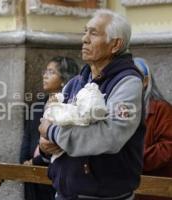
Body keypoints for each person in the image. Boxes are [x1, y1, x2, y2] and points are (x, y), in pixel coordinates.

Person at [39, 9, 145, 200]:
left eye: (93, 33)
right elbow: (48, 121)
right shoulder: (76, 82)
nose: (84, 39)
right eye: (85, 32)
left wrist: (54, 133)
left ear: (115, 44)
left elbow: (110, 135)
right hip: (65, 191)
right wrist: (45, 145)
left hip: (104, 194)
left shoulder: (128, 83)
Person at [20, 56, 79, 200]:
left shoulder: (68, 107)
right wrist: (24, 161)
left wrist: (36, 161)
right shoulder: (38, 105)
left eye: (51, 72)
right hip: (30, 172)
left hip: (54, 173)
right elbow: (28, 136)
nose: (45, 75)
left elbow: (61, 142)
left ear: (64, 78)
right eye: (45, 71)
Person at [134, 58, 172, 200]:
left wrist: (134, 159)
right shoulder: (120, 108)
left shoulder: (162, 109)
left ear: (145, 82)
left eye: (133, 79)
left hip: (154, 185)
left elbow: (168, 147)